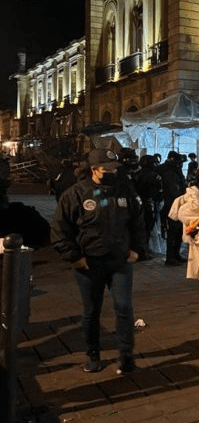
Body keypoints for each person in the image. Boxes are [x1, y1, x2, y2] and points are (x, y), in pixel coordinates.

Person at [50, 148, 146, 375]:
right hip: (90, 264)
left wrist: (137, 249)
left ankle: (126, 356)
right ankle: (93, 354)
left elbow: (138, 222)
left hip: (120, 261)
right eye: (106, 169)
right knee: (92, 311)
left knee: (124, 308)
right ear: (94, 169)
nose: (112, 172)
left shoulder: (124, 191)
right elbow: (60, 229)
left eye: (114, 168)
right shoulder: (76, 194)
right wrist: (74, 257)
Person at [157, 151, 187, 266]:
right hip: (172, 205)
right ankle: (170, 257)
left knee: (178, 231)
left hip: (177, 204)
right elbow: (174, 191)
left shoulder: (174, 170)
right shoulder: (169, 172)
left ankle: (176, 254)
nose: (181, 165)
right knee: (173, 231)